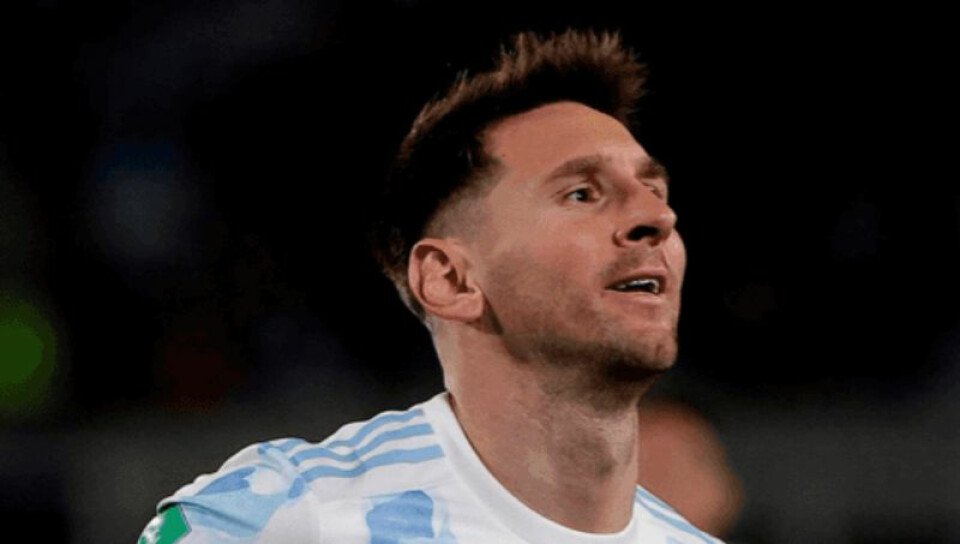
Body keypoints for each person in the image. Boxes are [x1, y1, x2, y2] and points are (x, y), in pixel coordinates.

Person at [138, 29, 723, 543]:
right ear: (450, 280)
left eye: (656, 191)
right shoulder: (287, 515)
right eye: (581, 194)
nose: (658, 217)